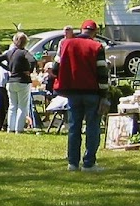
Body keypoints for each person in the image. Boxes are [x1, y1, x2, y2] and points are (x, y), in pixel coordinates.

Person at [55, 19, 110, 172]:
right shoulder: (97, 46)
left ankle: (72, 163)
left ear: (81, 29)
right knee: (92, 127)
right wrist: (104, 95)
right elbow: (102, 73)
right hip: (92, 93)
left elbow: (55, 67)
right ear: (95, 32)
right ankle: (89, 163)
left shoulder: (66, 44)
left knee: (74, 128)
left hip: (72, 92)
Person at [5, 32, 36, 133]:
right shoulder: (24, 52)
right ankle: (19, 129)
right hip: (22, 81)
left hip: (11, 81)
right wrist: (29, 71)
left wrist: (8, 68)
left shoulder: (10, 52)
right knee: (22, 106)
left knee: (12, 105)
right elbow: (33, 60)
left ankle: (11, 128)